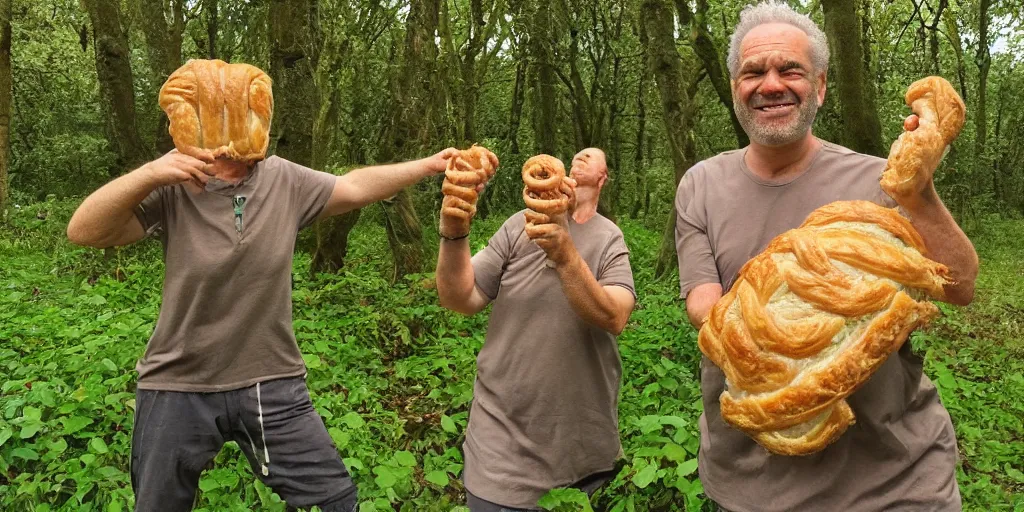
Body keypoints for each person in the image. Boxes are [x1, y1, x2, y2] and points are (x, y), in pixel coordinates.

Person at [67, 114, 458, 510]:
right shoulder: (174, 184)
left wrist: (429, 165)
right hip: (178, 380)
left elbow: (353, 186)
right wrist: (150, 174)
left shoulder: (283, 179)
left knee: (335, 500)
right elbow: (84, 231)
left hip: (270, 378)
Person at [674, 3, 978, 511]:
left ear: (819, 86)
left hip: (890, 484)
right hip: (750, 483)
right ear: (735, 90)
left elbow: (958, 286)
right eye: (753, 72)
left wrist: (918, 192)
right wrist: (792, 318)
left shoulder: (881, 181)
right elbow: (703, 304)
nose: (771, 84)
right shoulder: (701, 185)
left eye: (789, 70)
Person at [435, 148, 636, 511]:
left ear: (603, 177)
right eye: (577, 154)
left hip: (583, 452)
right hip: (500, 452)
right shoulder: (518, 226)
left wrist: (565, 255)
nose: (581, 157)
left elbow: (615, 317)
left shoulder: (610, 238)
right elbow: (460, 298)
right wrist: (454, 233)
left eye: (592, 156)